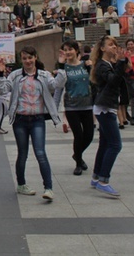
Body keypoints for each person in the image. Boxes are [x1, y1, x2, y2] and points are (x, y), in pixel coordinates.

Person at [0, 47, 63, 201]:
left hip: (37, 119)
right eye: (24, 58)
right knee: (23, 153)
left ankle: (48, 187)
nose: (27, 61)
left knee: (40, 153)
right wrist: (0, 73)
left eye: (30, 58)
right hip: (20, 119)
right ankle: (21, 184)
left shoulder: (44, 75)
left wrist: (62, 66)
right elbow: (2, 89)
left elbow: (57, 84)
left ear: (35, 58)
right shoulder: (16, 75)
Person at [89, 35, 126, 197]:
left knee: (104, 144)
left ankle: (97, 176)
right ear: (102, 48)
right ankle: (104, 180)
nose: (114, 47)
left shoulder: (108, 64)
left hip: (106, 106)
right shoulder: (103, 66)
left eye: (115, 45)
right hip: (105, 108)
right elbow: (113, 81)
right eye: (111, 45)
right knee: (115, 145)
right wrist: (121, 63)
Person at [53, 40, 94, 175]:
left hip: (87, 105)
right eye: (65, 50)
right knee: (78, 135)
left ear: (77, 50)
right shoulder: (64, 68)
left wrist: (91, 67)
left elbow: (93, 82)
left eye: (70, 49)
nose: (68, 52)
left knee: (89, 135)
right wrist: (54, 107)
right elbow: (58, 88)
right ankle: (78, 163)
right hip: (71, 107)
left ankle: (77, 155)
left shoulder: (85, 65)